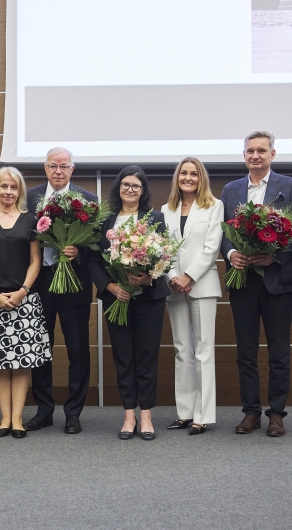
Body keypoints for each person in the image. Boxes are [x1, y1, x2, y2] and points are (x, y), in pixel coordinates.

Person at [220, 131, 292, 437]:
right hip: (243, 280)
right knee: (246, 352)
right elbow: (222, 232)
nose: (255, 155)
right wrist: (231, 254)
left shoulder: (289, 186)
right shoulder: (231, 189)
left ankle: (277, 414)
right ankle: (251, 412)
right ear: (244, 155)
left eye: (261, 150)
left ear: (272, 154)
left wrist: (275, 256)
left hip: (277, 281)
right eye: (250, 151)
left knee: (279, 352)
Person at [88, 166, 171, 441]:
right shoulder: (105, 220)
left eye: (136, 186)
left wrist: (148, 276)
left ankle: (146, 415)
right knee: (123, 356)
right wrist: (111, 286)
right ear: (118, 188)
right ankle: (128, 415)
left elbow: (164, 256)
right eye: (125, 185)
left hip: (149, 298)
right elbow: (93, 261)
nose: (130, 190)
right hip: (116, 298)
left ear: (143, 190)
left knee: (147, 356)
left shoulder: (155, 218)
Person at [0, 167, 51, 439]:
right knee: (0, 363)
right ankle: (4, 417)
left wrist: (23, 291)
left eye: (13, 187)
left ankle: (17, 418)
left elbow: (36, 261)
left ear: (20, 192)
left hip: (25, 301)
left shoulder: (31, 221)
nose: (8, 191)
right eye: (3, 186)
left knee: (22, 363)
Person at [24, 147, 97, 435]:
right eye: (53, 165)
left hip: (75, 284)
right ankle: (44, 410)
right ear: (45, 168)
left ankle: (73, 412)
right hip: (39, 282)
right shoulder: (29, 198)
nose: (58, 171)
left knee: (77, 349)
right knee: (40, 347)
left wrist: (78, 252)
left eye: (64, 166)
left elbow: (97, 249)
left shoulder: (88, 200)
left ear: (72, 169)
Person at [161, 158, 224, 436]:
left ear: (201, 178)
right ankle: (185, 413)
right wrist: (174, 276)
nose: (188, 178)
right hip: (174, 287)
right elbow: (162, 248)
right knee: (181, 349)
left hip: (202, 285)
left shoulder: (214, 206)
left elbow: (212, 247)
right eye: (183, 173)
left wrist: (189, 276)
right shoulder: (166, 210)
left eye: (194, 174)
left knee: (203, 350)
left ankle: (203, 415)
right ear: (177, 177)